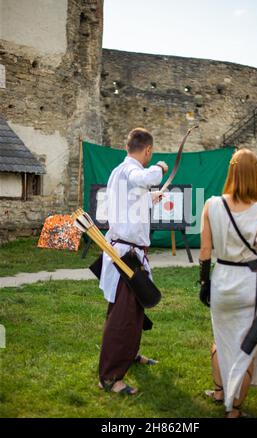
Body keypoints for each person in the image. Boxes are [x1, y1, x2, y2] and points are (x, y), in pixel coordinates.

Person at [199, 148, 257, 418]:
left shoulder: (211, 205)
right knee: (246, 348)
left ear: (231, 172)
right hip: (251, 284)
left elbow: (205, 251)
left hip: (221, 280)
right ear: (254, 175)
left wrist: (203, 283)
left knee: (221, 340)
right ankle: (233, 410)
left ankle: (221, 392)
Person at [98, 127, 168, 395]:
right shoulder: (130, 171)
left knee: (133, 312)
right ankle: (110, 376)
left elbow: (127, 201)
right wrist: (161, 167)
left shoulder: (120, 173)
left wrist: (150, 198)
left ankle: (131, 354)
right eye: (152, 155)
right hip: (125, 257)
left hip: (127, 252)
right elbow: (143, 177)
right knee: (123, 317)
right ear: (147, 150)